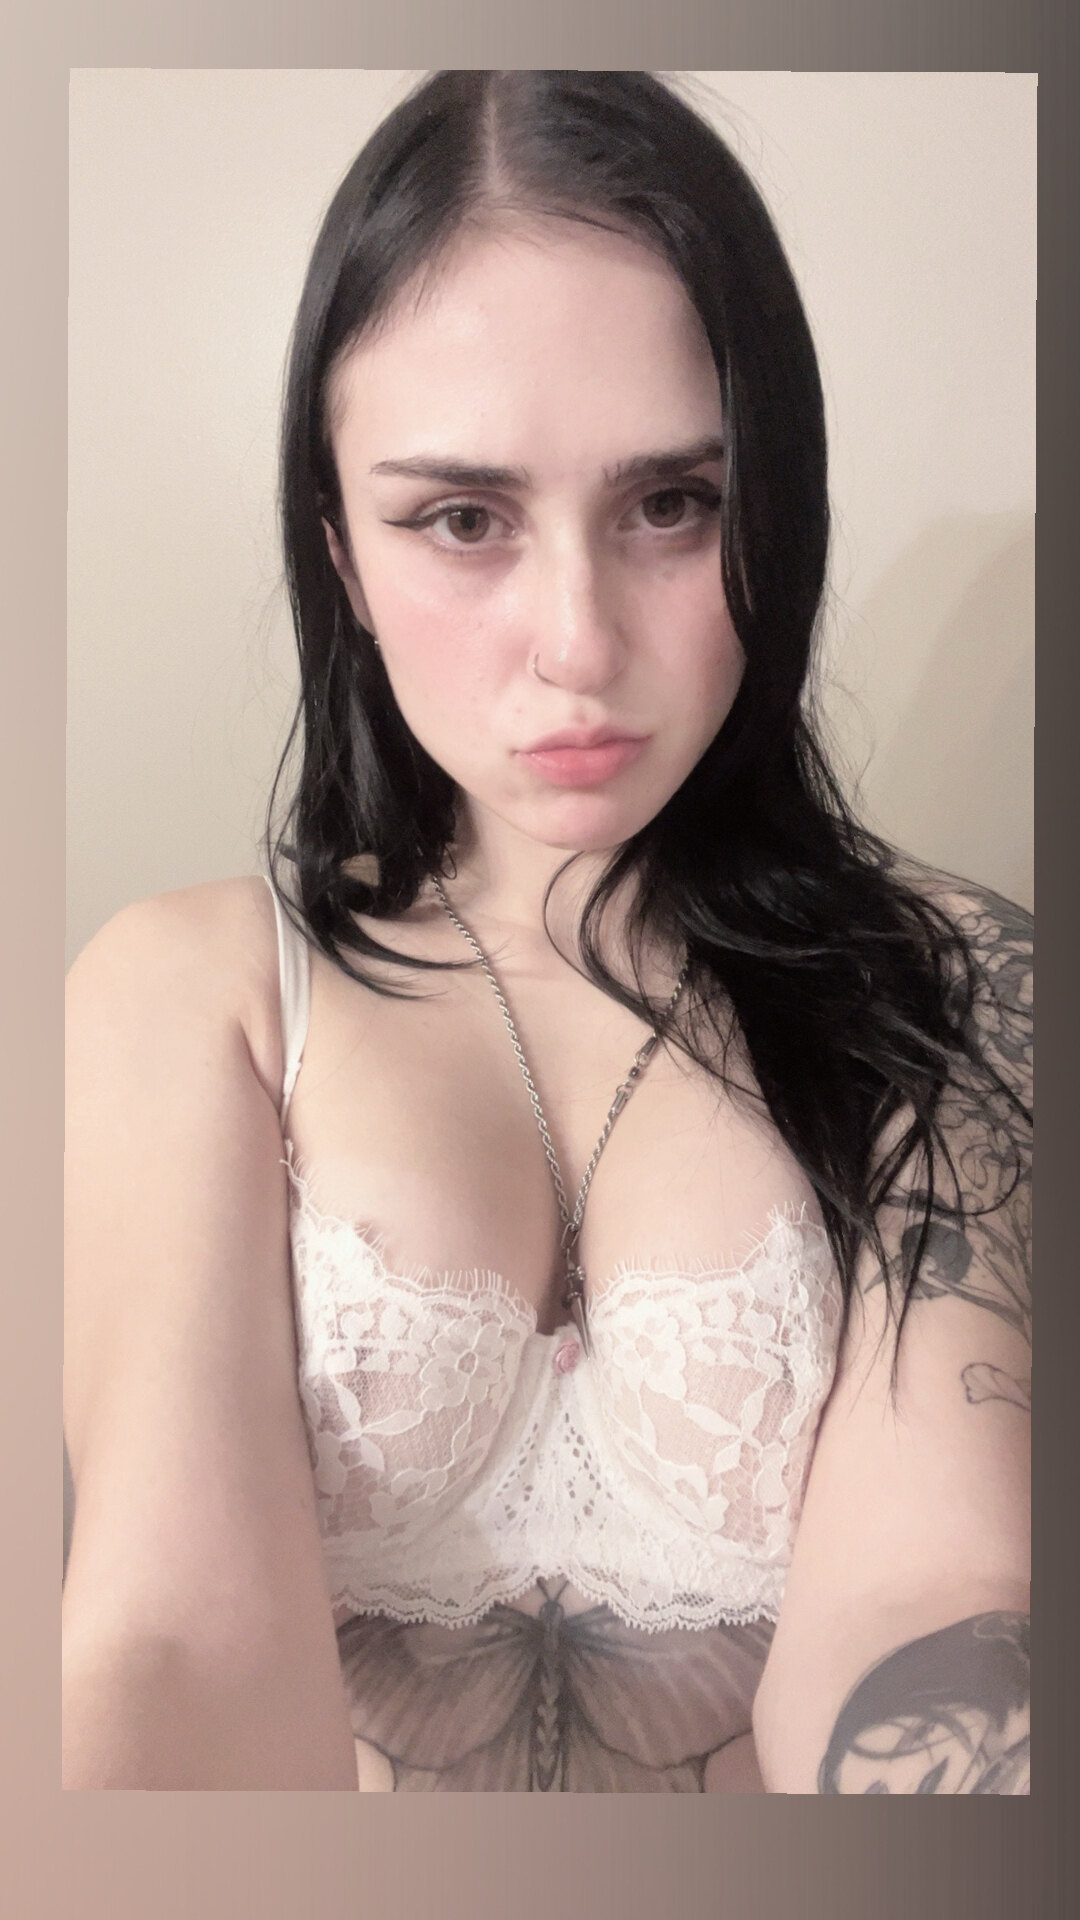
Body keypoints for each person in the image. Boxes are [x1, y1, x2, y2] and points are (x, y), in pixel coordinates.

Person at [62, 70, 1031, 1792]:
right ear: (341, 555)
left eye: (672, 505)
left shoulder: (949, 979)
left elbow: (938, 1596)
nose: (576, 642)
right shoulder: (193, 993)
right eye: (464, 520)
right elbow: (177, 1642)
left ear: (777, 505)